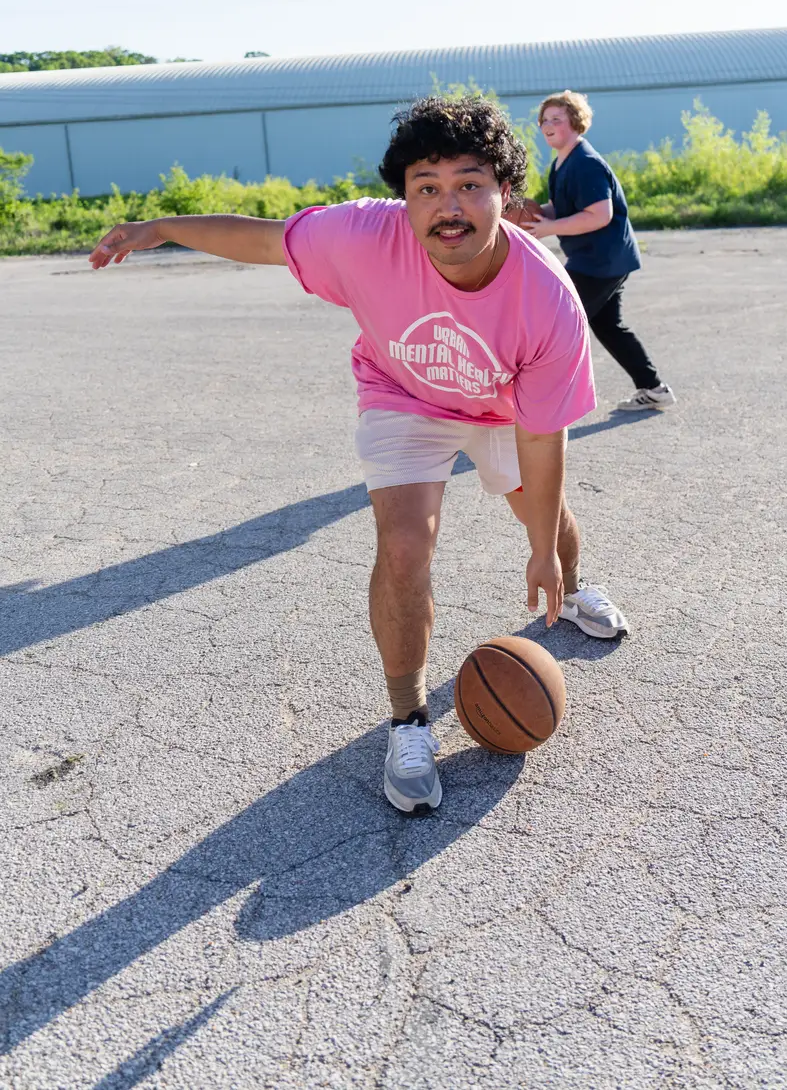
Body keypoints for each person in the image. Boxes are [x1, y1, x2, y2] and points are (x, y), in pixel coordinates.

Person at [89, 94, 630, 817]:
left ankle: (574, 579)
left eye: (470, 184)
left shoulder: (548, 299)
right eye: (426, 188)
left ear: (506, 190)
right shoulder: (362, 236)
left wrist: (540, 549)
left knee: (548, 519)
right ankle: (408, 720)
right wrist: (161, 227)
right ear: (402, 198)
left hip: (499, 404)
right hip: (403, 396)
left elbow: (542, 435)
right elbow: (264, 239)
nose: (450, 206)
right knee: (404, 548)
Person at [518, 91, 675, 412]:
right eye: (544, 120)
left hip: (601, 261)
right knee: (607, 326)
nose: (548, 125)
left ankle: (539, 404)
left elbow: (598, 215)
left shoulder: (585, 163)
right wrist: (537, 216)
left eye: (557, 119)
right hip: (601, 259)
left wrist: (549, 228)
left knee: (556, 324)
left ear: (575, 123)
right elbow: (566, 207)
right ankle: (654, 388)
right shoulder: (563, 161)